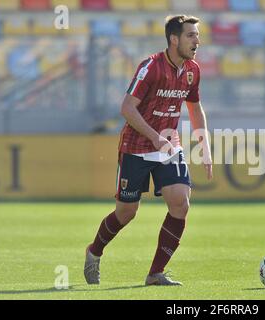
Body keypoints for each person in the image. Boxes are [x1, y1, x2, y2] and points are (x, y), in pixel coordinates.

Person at [84, 15, 213, 286]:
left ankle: (155, 273)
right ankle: (94, 251)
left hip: (169, 145)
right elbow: (127, 108)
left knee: (180, 203)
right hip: (137, 146)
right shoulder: (150, 67)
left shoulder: (192, 70)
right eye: (191, 35)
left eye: (197, 35)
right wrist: (154, 137)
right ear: (174, 39)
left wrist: (204, 144)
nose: (197, 41)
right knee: (126, 213)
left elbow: (195, 108)